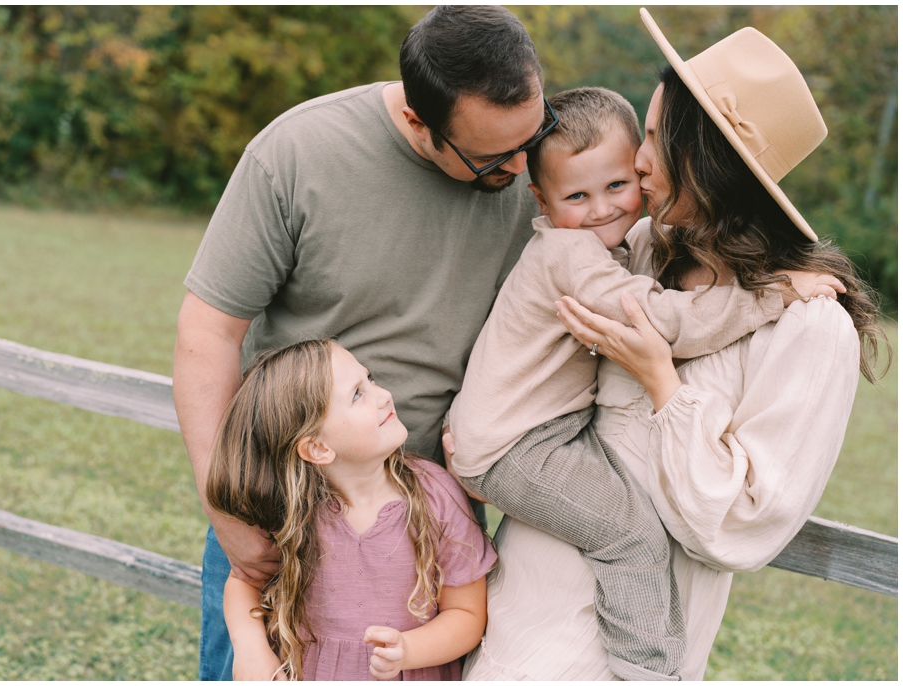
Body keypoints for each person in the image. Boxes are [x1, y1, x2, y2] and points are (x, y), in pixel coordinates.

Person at [456, 9, 888, 680]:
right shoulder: (638, 251)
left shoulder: (808, 322)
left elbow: (743, 523)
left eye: (655, 135)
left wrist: (663, 384)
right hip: (515, 616)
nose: (638, 158)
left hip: (614, 651)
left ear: (708, 160)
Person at [172, 6, 547, 679]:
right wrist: (224, 506)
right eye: (493, 157)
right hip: (282, 514)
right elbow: (208, 330)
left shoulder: (535, 166)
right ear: (416, 122)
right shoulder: (296, 155)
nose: (524, 170)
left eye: (534, 136)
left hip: (426, 525)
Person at [205, 340, 496, 680]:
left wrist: (408, 650)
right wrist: (250, 649)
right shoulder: (294, 509)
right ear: (317, 447)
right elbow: (244, 582)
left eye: (370, 379)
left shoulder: (435, 495)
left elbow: (467, 613)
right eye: (358, 394)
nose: (384, 394)